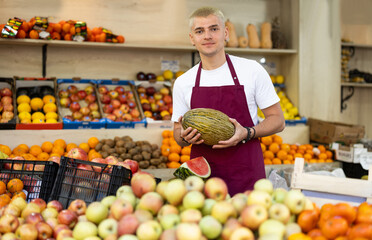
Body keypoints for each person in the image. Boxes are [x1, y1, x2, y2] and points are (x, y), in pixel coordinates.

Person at [171, 6, 285, 196]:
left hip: (246, 175)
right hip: (203, 184)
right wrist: (183, 137)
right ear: (192, 38)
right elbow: (177, 132)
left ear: (226, 33)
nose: (207, 36)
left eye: (213, 29)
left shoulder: (252, 70)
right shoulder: (184, 82)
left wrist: (248, 132)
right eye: (200, 31)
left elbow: (278, 120)